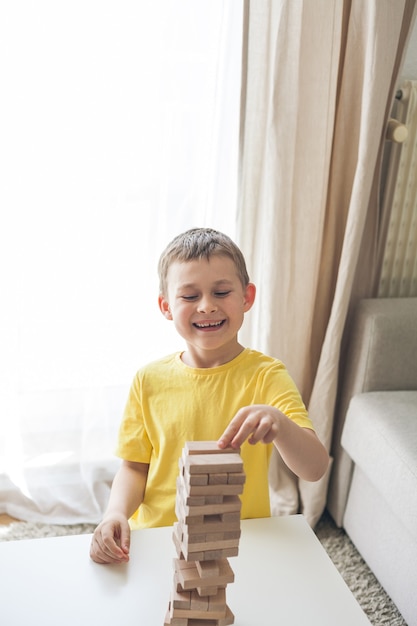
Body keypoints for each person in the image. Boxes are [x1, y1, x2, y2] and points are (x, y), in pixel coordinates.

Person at [90, 227, 329, 564]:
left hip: (239, 542)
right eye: (189, 296)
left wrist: (280, 424)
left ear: (247, 297)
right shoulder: (148, 379)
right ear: (166, 306)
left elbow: (315, 468)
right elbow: (134, 467)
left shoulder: (267, 375)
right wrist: (114, 513)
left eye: (221, 292)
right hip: (159, 538)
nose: (206, 306)